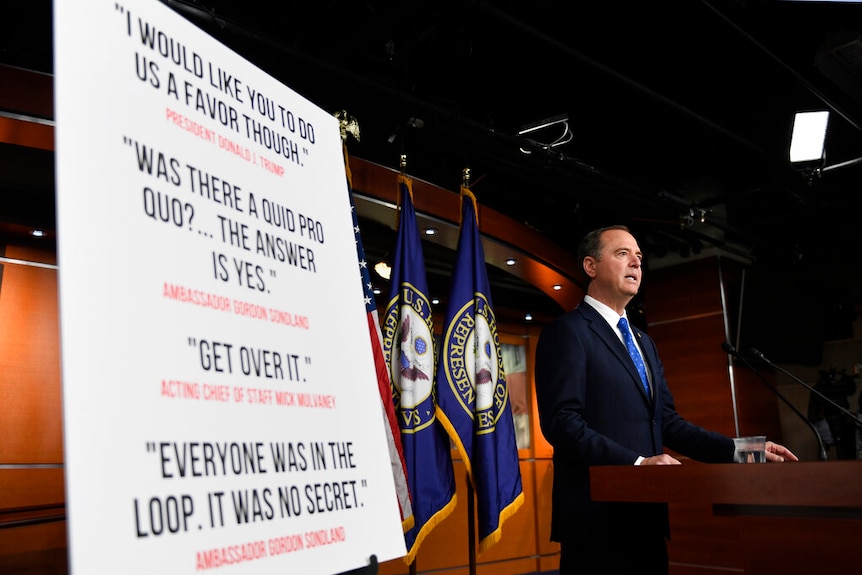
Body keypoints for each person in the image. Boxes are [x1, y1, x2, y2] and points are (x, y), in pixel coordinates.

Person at [534, 224, 798, 574]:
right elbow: (562, 425)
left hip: (649, 521)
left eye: (640, 258)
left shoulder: (644, 342)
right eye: (622, 254)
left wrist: (742, 450)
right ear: (590, 266)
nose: (636, 264)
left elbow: (667, 422)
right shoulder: (567, 332)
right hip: (596, 524)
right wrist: (639, 464)